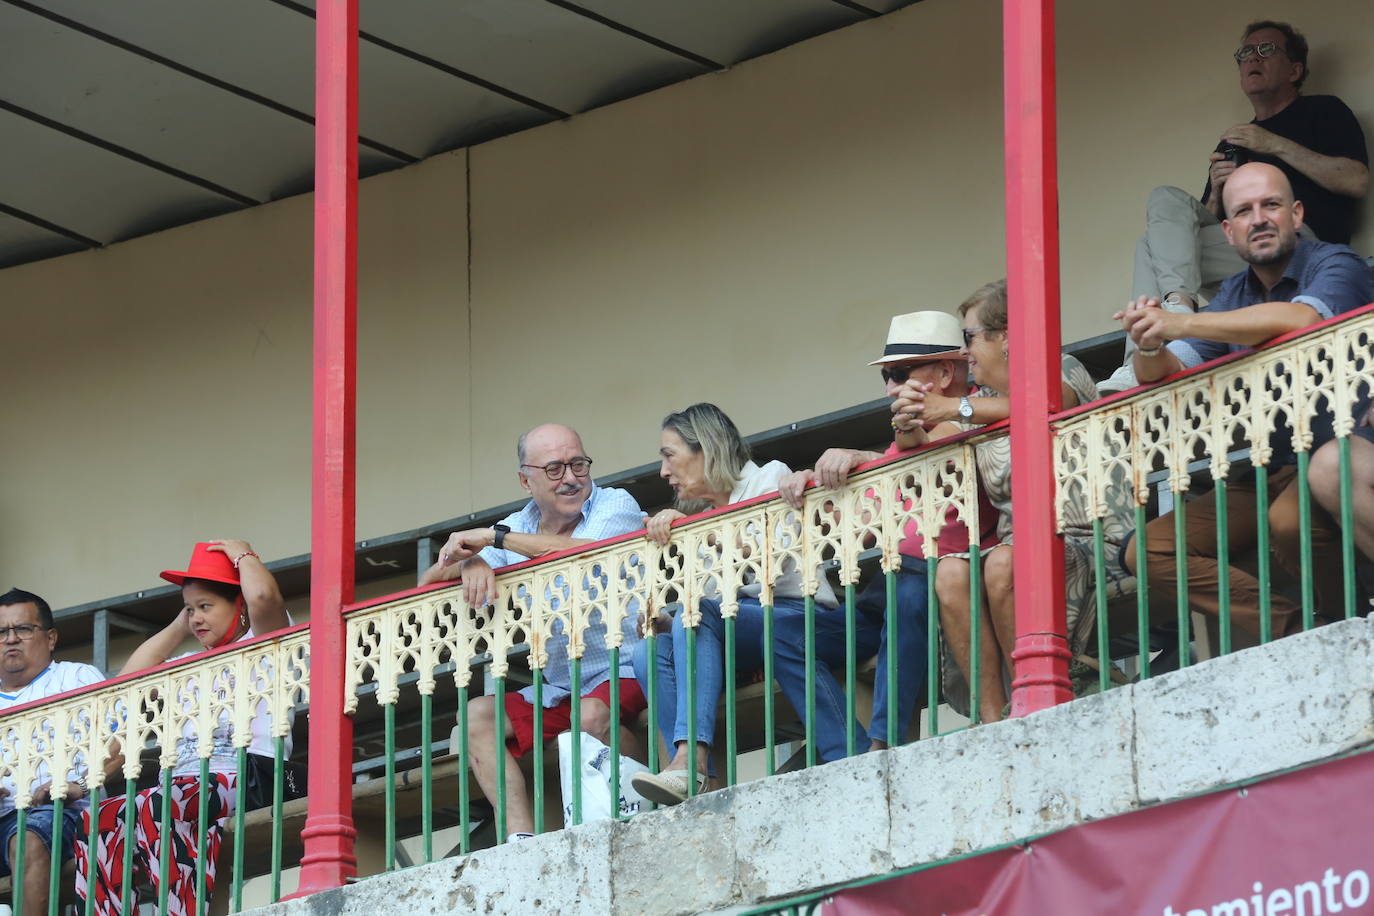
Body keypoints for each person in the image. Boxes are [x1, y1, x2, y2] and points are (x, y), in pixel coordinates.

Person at [1117, 162, 1374, 636]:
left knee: (1287, 520)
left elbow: (1299, 320)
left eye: (1270, 205)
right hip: (1261, 468)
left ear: (1296, 214)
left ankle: (1348, 626)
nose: (1259, 219)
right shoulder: (1233, 294)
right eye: (1244, 212)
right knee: (1147, 550)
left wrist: (1182, 321)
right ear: (1229, 233)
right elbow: (1165, 372)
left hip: (1338, 450)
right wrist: (1150, 342)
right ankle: (1295, 629)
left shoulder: (1336, 263)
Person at [1101, 19, 1368, 393]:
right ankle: (1148, 344)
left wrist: (1273, 144)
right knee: (1156, 225)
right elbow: (1206, 231)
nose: (1252, 59)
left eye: (1266, 50)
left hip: (1306, 244)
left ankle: (1174, 314)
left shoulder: (1322, 111)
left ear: (1295, 70)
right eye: (1245, 53)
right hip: (1245, 262)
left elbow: (1356, 180)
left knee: (1154, 250)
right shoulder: (1234, 140)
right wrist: (1216, 193)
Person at [776, 311, 997, 749]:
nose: (891, 388)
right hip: (893, 589)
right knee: (783, 635)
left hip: (953, 581)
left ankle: (884, 745)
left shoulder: (976, 410)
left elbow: (937, 443)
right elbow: (865, 505)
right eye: (887, 377)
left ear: (947, 370)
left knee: (907, 585)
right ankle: (846, 751)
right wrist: (810, 478)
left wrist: (863, 451)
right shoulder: (906, 435)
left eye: (899, 374)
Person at [420, 423, 646, 842]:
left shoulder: (615, 504)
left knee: (592, 717)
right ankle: (521, 839)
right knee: (476, 717)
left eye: (578, 464)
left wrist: (493, 539)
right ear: (526, 480)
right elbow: (427, 582)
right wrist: (469, 563)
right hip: (563, 685)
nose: (572, 479)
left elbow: (584, 553)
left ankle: (645, 810)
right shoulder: (518, 525)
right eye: (556, 469)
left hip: (630, 667)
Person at [938, 280, 1133, 724]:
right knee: (951, 573)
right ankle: (991, 719)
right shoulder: (979, 402)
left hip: (1088, 536)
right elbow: (926, 439)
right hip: (1014, 553)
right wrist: (902, 426)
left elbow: (1045, 403)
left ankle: (1028, 704)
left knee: (1004, 563)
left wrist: (952, 410)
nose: (964, 351)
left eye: (969, 337)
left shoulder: (1061, 369)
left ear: (1005, 337)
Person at [631, 403, 843, 806]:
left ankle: (690, 757)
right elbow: (713, 603)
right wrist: (667, 625)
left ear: (706, 450)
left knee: (697, 612)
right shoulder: (709, 514)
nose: (663, 471)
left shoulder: (770, 477)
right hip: (743, 634)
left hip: (801, 617)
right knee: (648, 650)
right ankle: (699, 782)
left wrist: (699, 532)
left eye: (669, 455)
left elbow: (770, 571)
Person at [76, 540, 291, 916]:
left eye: (207, 607)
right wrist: (185, 618)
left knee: (156, 803)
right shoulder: (188, 662)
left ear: (239, 606)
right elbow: (128, 681)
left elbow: (263, 597)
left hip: (252, 776)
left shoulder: (266, 643)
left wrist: (243, 555)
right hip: (186, 788)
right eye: (190, 610)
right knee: (98, 818)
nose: (197, 619)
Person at [0, 589, 118, 916]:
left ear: (50, 638)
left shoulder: (75, 677)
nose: (11, 639)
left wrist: (77, 784)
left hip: (65, 812)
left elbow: (121, 744)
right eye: (1, 632)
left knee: (28, 835)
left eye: (23, 629)